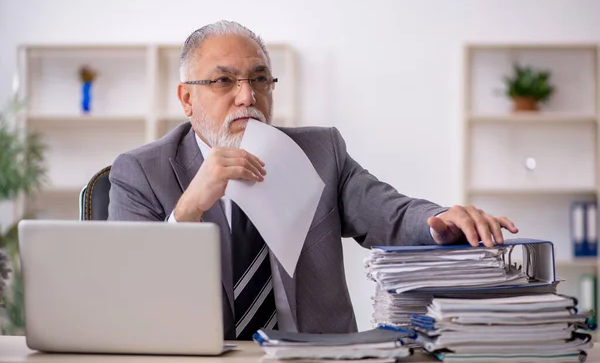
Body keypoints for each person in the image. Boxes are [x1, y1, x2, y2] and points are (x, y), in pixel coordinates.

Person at [108, 20, 518, 340]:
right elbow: (130, 296)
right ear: (186, 99)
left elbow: (391, 215)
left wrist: (444, 218)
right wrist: (189, 208)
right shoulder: (142, 171)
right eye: (223, 80)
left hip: (319, 355)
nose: (247, 96)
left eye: (260, 78)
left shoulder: (320, 152)